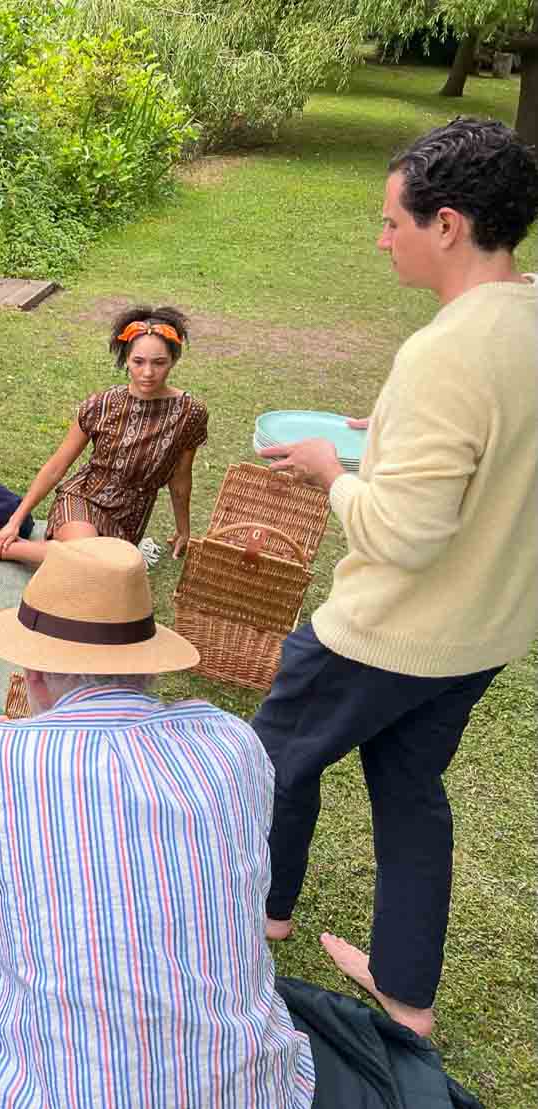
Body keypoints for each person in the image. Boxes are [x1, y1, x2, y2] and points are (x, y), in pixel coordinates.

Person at [0, 538, 315, 1109]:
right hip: (251, 1092)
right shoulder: (235, 742)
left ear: (32, 671)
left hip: (57, 1093)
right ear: (147, 661)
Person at [254, 117, 538, 1039]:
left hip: (389, 631)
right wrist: (381, 439)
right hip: (484, 630)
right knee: (410, 791)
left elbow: (403, 533)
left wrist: (334, 473)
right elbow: (492, 457)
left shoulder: (444, 351)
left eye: (390, 223)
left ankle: (262, 912)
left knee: (268, 761)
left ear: (446, 224)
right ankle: (405, 992)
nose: (380, 241)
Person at [0, 305, 207, 566]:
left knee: (102, 571)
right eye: (138, 362)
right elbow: (56, 467)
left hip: (129, 518)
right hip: (83, 499)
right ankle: (5, 549)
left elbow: (181, 479)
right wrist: (13, 523)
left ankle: (32, 550)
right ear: (126, 359)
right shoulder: (101, 405)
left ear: (173, 360)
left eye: (159, 362)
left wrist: (184, 529)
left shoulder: (191, 413)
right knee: (86, 559)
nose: (148, 373)